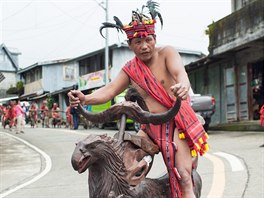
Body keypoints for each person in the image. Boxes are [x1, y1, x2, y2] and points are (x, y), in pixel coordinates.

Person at [68, 1, 209, 197]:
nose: (144, 46)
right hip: (148, 129)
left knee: (184, 176)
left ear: (154, 38)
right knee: (121, 166)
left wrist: (183, 87)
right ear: (130, 45)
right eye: (138, 42)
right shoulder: (130, 69)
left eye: (148, 40)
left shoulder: (167, 53)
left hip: (176, 124)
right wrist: (84, 98)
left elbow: (180, 74)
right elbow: (109, 91)